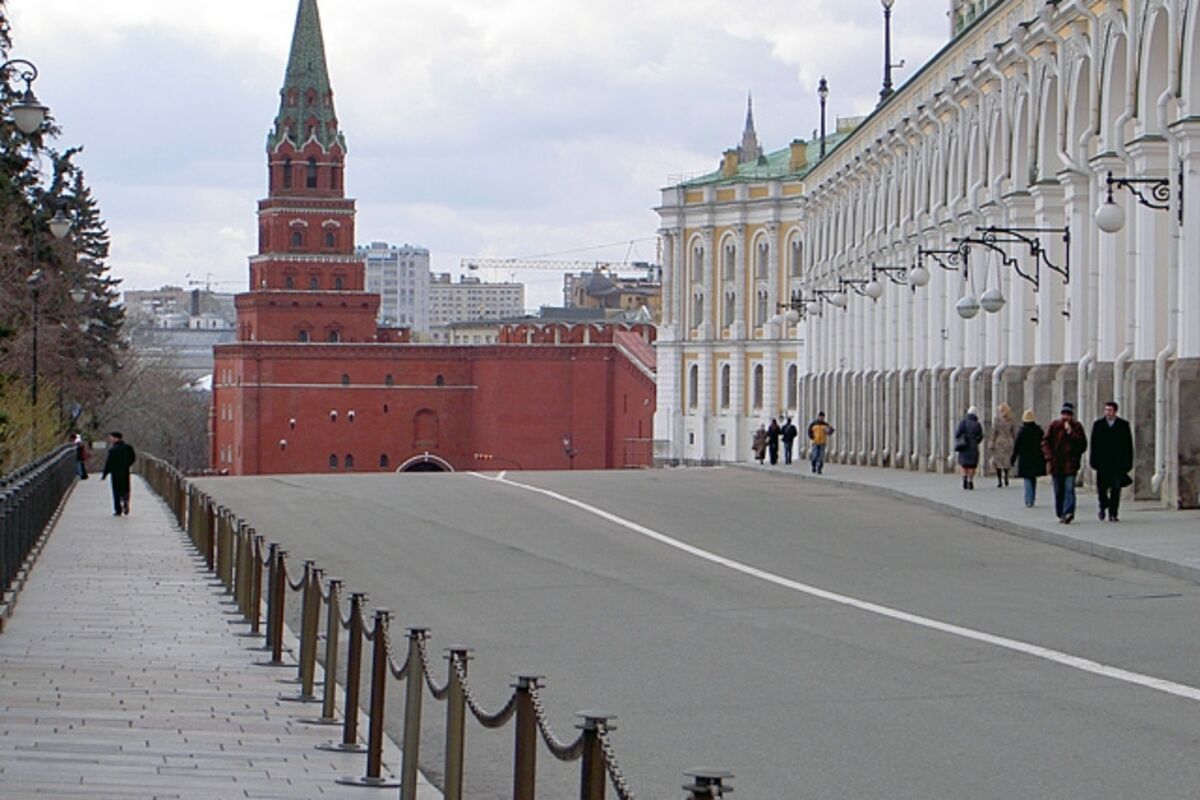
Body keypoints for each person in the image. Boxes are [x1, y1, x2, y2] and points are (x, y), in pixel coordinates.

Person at [1041, 402, 1088, 524]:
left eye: (1068, 414)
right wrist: (1049, 456)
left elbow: (1082, 445)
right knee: (1058, 490)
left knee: (1069, 488)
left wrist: (1071, 433)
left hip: (1070, 464)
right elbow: (1045, 442)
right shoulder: (1055, 425)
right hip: (1056, 463)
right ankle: (1060, 512)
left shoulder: (1077, 427)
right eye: (1064, 414)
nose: (1065, 417)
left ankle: (1068, 512)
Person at [1089, 400, 1134, 522]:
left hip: (1117, 464)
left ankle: (1113, 512)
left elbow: (1128, 445)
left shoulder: (1123, 425)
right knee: (1102, 489)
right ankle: (1103, 506)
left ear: (1115, 411)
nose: (1107, 412)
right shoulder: (1098, 425)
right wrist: (1093, 461)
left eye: (1110, 410)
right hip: (1102, 463)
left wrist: (1128, 463)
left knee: (1116, 488)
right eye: (1106, 410)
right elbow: (1094, 444)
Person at [1010, 409, 1046, 508]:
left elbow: (1017, 447)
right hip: (1036, 458)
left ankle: (1028, 500)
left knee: (1027, 479)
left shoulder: (1022, 432)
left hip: (1025, 459)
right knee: (1033, 478)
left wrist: (1013, 459)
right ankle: (1032, 498)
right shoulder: (1039, 431)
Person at [101, 431, 137, 516]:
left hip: (115, 472)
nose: (110, 439)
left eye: (111, 437)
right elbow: (133, 458)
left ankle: (118, 509)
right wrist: (127, 464)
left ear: (116, 438)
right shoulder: (128, 448)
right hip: (125, 471)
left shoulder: (113, 450)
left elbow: (109, 463)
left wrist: (105, 473)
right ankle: (125, 500)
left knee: (116, 490)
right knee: (125, 488)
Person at [987, 403, 1017, 488]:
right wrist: (1015, 441)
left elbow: (994, 432)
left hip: (999, 442)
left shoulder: (997, 420)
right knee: (1007, 461)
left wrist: (992, 442)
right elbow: (1014, 432)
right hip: (1008, 442)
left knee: (998, 462)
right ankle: (1006, 476)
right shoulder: (1011, 420)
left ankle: (999, 480)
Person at [954, 406, 985, 490]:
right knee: (972, 465)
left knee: (964, 464)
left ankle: (964, 477)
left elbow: (957, 434)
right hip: (973, 447)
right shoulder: (977, 424)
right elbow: (981, 436)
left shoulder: (963, 422)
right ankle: (970, 481)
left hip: (963, 446)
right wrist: (976, 441)